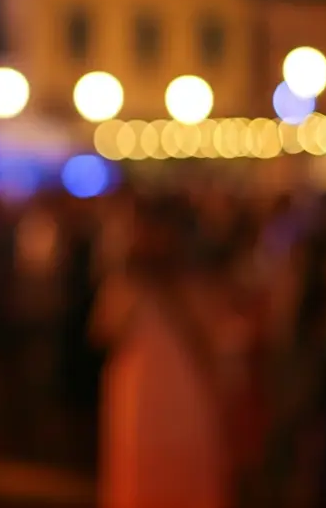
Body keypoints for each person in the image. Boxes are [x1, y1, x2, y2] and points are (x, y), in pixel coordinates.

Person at [93, 199, 231, 508]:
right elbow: (103, 331)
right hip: (148, 395)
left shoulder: (190, 285)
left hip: (171, 394)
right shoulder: (131, 284)